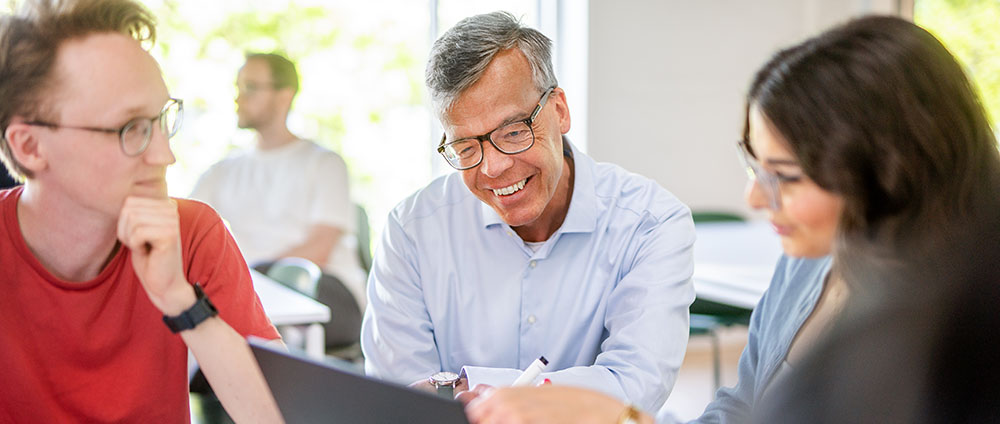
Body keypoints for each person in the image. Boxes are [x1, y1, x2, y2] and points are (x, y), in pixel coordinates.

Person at [461, 15, 1000, 423]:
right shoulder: (808, 264)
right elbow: (740, 413)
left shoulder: (956, 339)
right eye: (753, 165)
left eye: (783, 176)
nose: (755, 199)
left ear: (888, 172)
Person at [360, 11, 696, 413]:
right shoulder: (412, 230)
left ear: (559, 111)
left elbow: (636, 383)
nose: (492, 167)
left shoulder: (651, 222)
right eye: (466, 147)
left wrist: (473, 388)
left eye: (514, 132)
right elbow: (402, 401)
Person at [0, 0, 284, 422]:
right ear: (30, 146)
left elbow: (283, 414)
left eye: (160, 120)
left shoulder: (190, 232)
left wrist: (179, 300)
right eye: (130, 128)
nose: (165, 154)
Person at [189, 53, 366, 346]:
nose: (238, 97)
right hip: (252, 297)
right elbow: (185, 233)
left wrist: (249, 277)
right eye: (238, 87)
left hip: (322, 295)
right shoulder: (220, 172)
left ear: (285, 96)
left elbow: (319, 249)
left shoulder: (324, 163)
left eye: (250, 87)